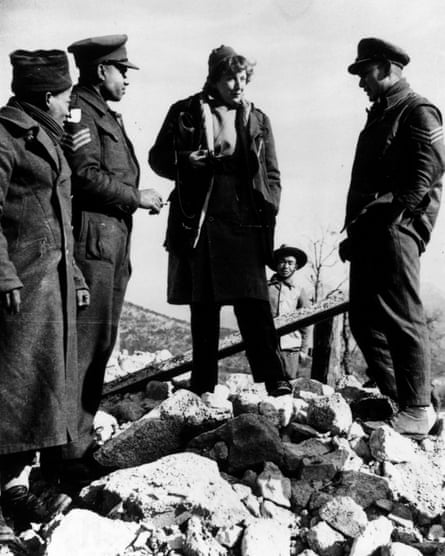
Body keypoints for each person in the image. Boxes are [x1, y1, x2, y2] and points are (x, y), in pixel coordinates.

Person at [149, 45, 291, 397]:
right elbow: (157, 159)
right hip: (202, 217)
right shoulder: (184, 111)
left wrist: (268, 204)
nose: (238, 85)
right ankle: (203, 387)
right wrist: (184, 160)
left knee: (254, 302)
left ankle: (276, 382)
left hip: (244, 218)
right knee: (205, 305)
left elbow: (271, 173)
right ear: (213, 77)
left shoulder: (258, 118)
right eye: (230, 77)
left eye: (243, 77)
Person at [59, 35, 163, 475]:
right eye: (122, 71)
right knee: (84, 349)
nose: (127, 80)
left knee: (99, 346)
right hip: (94, 245)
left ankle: (75, 446)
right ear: (101, 70)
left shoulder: (104, 113)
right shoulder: (82, 111)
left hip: (111, 245)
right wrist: (136, 196)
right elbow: (85, 176)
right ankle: (67, 455)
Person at [0, 49, 88, 547]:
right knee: (10, 393)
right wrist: (4, 275)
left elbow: (60, 222)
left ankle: (12, 488)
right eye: (66, 94)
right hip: (21, 287)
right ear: (47, 96)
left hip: (48, 287)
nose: (69, 103)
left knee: (39, 391)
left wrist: (74, 274)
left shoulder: (49, 140)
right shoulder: (6, 136)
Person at [340, 38, 445, 435]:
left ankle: (417, 408)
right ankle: (405, 403)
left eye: (365, 73)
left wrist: (398, 215)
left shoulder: (416, 109)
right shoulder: (383, 113)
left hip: (395, 230)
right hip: (372, 232)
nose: (361, 81)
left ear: (385, 68)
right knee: (365, 320)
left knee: (402, 317)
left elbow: (431, 166)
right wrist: (358, 231)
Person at [268, 244, 311, 379]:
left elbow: (307, 322)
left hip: (291, 346)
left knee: (289, 381)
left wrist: (304, 349)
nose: (285, 266)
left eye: (290, 263)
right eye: (282, 262)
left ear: (296, 266)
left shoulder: (299, 290)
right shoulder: (265, 288)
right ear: (276, 264)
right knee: (268, 382)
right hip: (268, 344)